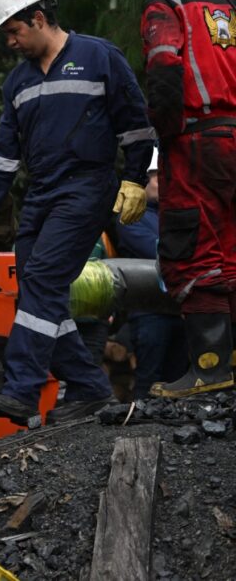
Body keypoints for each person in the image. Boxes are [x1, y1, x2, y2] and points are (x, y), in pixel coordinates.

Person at [0, 0, 154, 426]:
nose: (10, 41)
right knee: (32, 288)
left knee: (46, 280)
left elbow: (136, 126)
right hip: (42, 192)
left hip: (87, 188)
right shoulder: (18, 85)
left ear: (38, 17)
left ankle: (20, 390)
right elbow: (5, 158)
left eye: (14, 31)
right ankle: (89, 386)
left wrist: (133, 178)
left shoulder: (98, 57)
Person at [115, 0, 236, 397]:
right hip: (231, 133)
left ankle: (209, 368)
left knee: (190, 248)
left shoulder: (164, 4)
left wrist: (162, 139)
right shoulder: (225, 5)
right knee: (230, 245)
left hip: (196, 139)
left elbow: (165, 72)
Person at [114, 148, 187, 398]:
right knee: (149, 378)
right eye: (157, 176)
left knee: (178, 379)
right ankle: (138, 428)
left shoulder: (173, 214)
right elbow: (153, 249)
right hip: (149, 312)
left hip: (180, 309)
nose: (163, 182)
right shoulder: (132, 215)